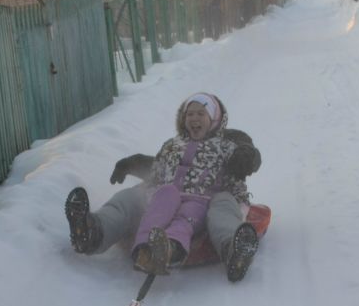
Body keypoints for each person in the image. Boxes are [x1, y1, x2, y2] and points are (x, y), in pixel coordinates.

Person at [65, 92, 262, 283]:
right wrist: (131, 164)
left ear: (214, 119)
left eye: (201, 114)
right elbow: (157, 168)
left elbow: (250, 158)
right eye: (190, 114)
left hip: (205, 201)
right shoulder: (172, 145)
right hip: (167, 197)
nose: (194, 118)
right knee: (130, 198)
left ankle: (233, 251)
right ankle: (93, 231)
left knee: (222, 208)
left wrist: (246, 158)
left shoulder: (227, 145)